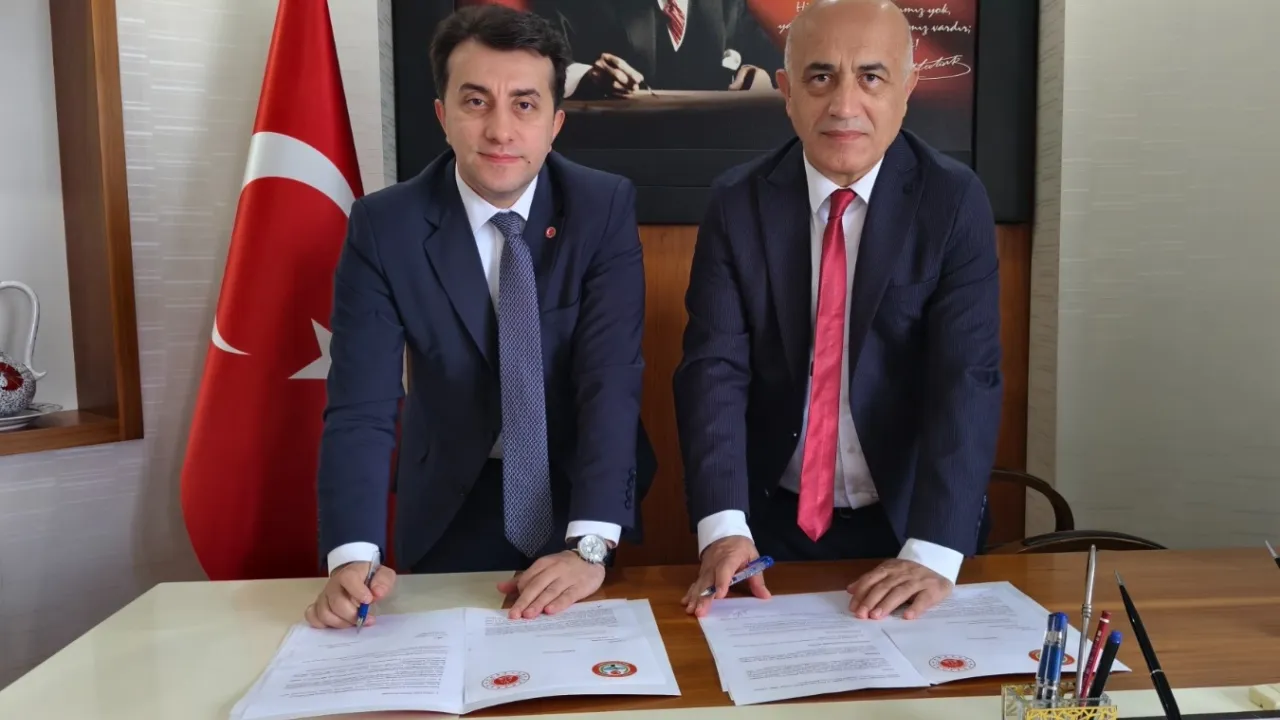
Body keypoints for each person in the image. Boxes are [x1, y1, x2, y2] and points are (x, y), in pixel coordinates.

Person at [305, 4, 656, 630]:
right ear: (443, 116)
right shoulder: (385, 226)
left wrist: (591, 545)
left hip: (581, 494)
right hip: (448, 499)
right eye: (475, 102)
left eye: (524, 104)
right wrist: (352, 554)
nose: (500, 130)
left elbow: (610, 381)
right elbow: (362, 403)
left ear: (554, 123)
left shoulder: (601, 207)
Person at [674, 0, 1002, 620]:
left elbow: (967, 378)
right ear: (786, 91)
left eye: (871, 77)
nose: (845, 105)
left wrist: (934, 550)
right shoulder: (736, 202)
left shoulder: (953, 200)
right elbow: (714, 370)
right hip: (768, 526)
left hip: (913, 523)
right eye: (820, 77)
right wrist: (723, 527)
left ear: (907, 89)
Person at [522, 0, 782, 98]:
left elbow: (772, 63)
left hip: (709, 156)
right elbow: (542, 65)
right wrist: (588, 77)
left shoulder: (728, 3)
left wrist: (761, 79)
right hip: (616, 154)